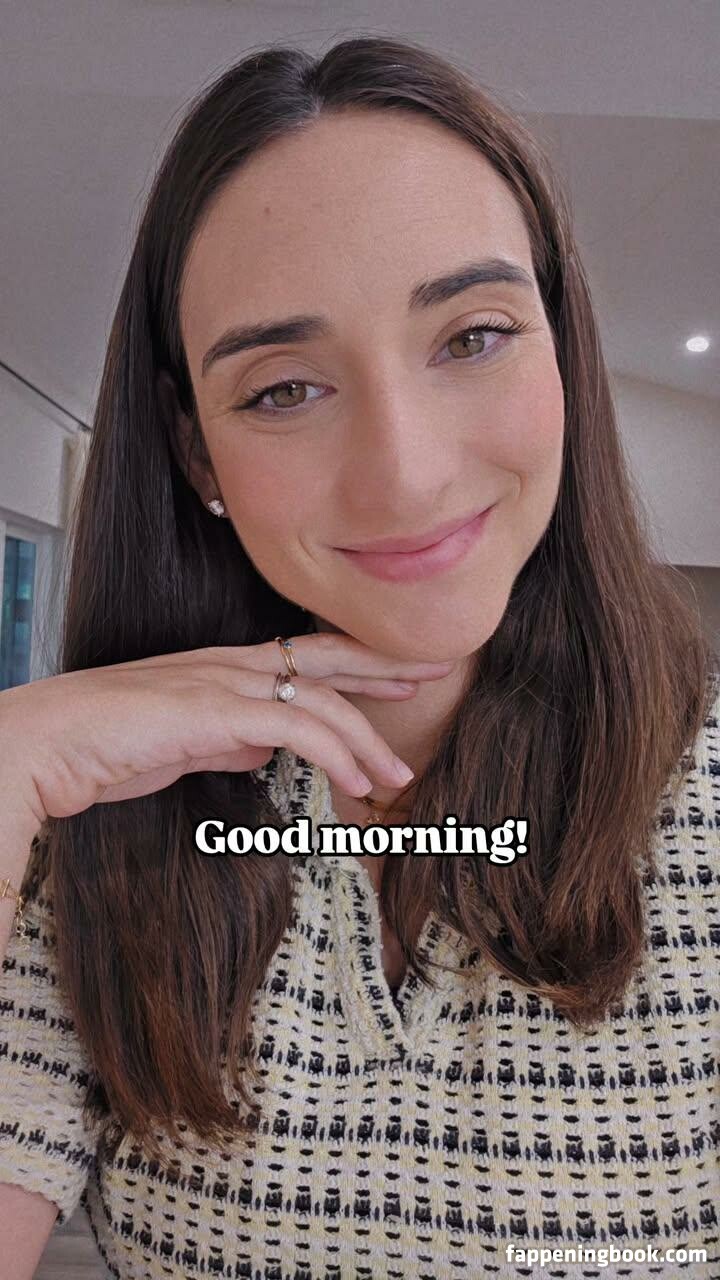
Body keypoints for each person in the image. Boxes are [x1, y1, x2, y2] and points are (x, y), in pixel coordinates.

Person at [0, 34, 717, 1280]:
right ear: (195, 449)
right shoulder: (91, 822)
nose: (405, 473)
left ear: (561, 345)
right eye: (284, 389)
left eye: (472, 335)